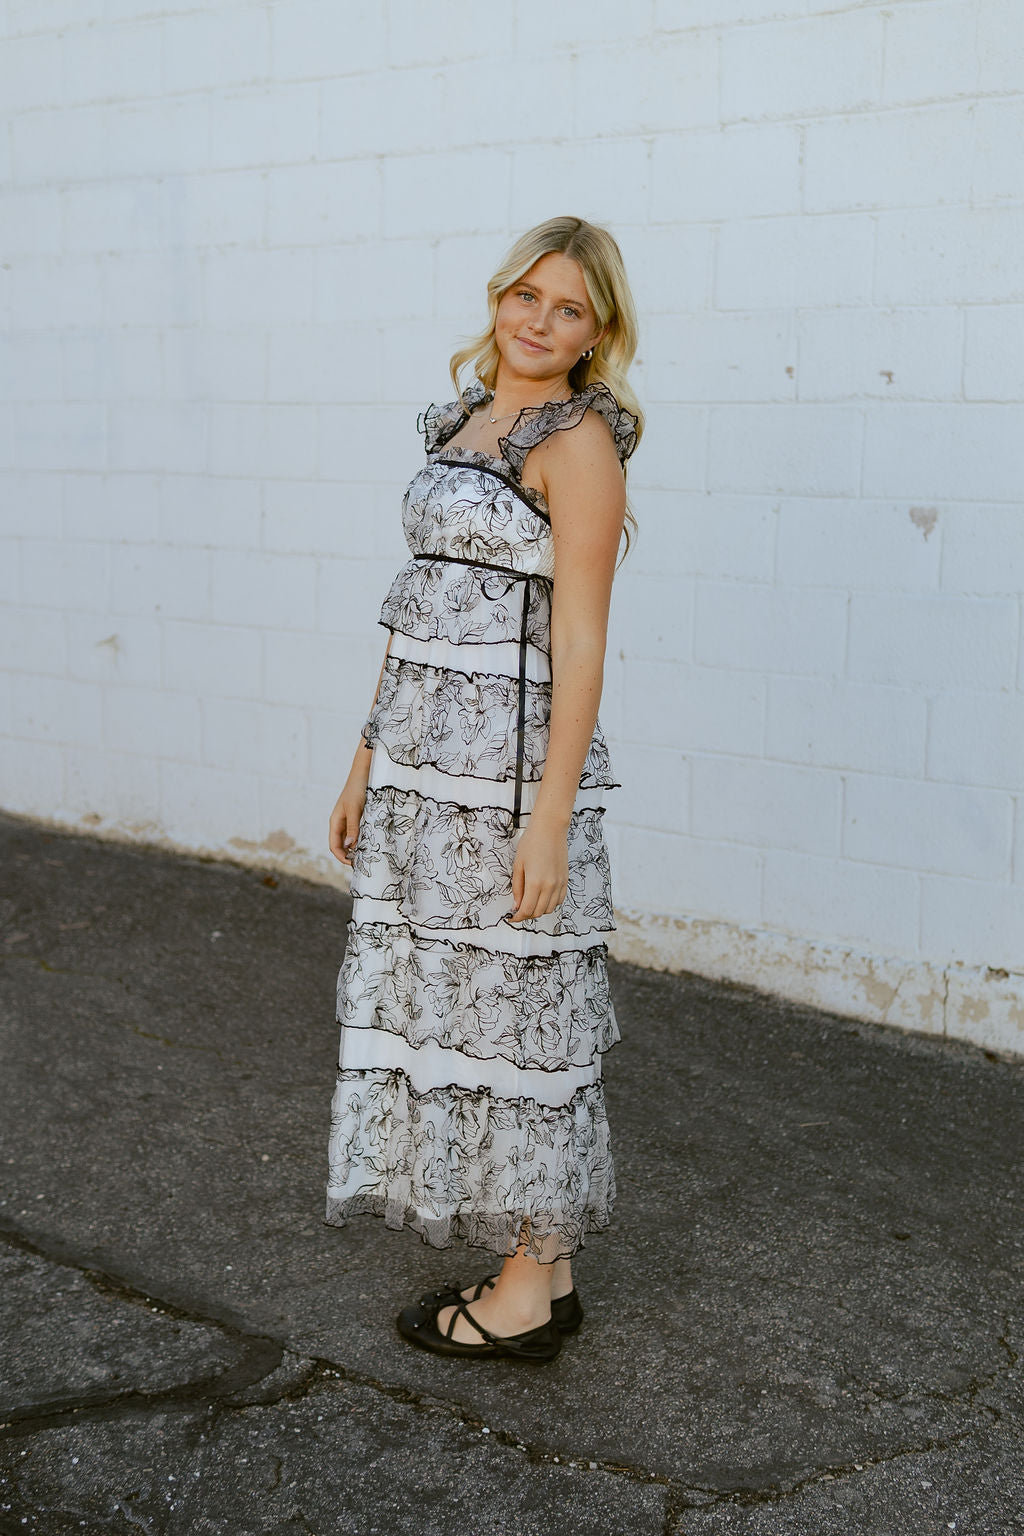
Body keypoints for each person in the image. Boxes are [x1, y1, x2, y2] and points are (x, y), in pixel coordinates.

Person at [325, 214, 643, 1364]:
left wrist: (549, 816)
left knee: (518, 1022)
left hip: (506, 779)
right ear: (500, 295)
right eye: (528, 296)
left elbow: (583, 641)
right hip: (419, 766)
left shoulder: (579, 446)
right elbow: (415, 605)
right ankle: (540, 1268)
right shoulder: (457, 420)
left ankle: (520, 1293)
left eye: (570, 308)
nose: (540, 322)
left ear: (597, 329)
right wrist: (366, 756)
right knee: (460, 1004)